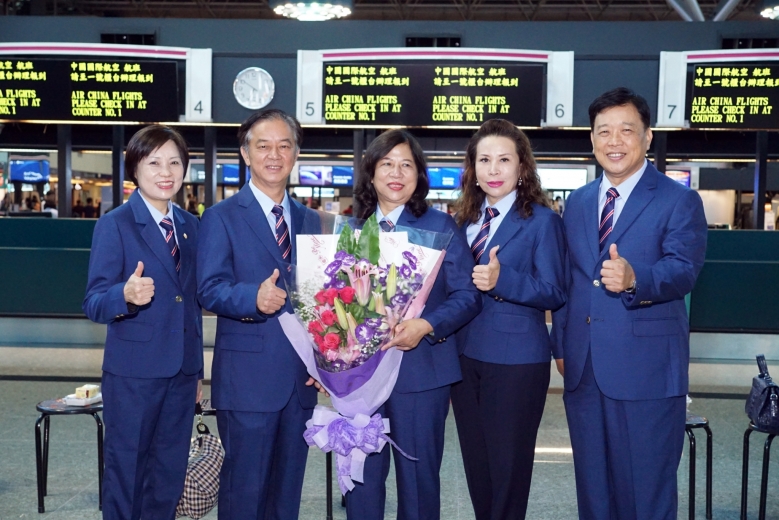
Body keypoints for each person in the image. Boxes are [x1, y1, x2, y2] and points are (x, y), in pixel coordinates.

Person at [552, 87, 708, 520]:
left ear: (647, 137)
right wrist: (561, 346)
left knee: (645, 495)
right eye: (604, 131)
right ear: (592, 139)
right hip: (583, 372)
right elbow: (569, 279)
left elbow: (684, 270)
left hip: (647, 373)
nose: (614, 141)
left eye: (626, 130)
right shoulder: (579, 202)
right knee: (594, 494)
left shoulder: (678, 199)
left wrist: (637, 278)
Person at [345, 129, 481, 520]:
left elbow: (467, 296)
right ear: (371, 173)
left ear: (418, 175)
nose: (396, 173)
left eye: (406, 165)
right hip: (360, 379)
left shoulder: (440, 227)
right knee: (361, 480)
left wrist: (426, 325)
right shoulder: (353, 230)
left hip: (422, 374)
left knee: (418, 482)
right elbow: (334, 304)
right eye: (387, 164)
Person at [197, 109, 326, 520]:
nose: (274, 154)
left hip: (300, 383)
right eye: (263, 145)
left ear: (295, 154)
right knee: (244, 496)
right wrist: (252, 297)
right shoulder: (220, 216)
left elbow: (321, 300)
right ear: (245, 153)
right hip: (248, 383)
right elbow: (209, 289)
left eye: (284, 146)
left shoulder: (310, 219)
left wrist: (325, 359)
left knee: (286, 499)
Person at [82, 125, 203, 520]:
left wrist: (197, 372)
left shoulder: (191, 226)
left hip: (181, 375)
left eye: (174, 163)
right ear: (135, 168)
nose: (165, 172)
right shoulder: (115, 224)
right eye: (154, 163)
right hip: (133, 376)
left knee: (168, 475)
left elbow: (191, 305)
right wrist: (125, 295)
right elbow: (94, 302)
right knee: (127, 473)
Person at [450, 119, 566, 520]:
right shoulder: (463, 221)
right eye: (484, 160)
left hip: (516, 360)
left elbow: (555, 290)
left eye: (504, 160)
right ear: (472, 168)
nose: (493, 170)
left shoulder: (543, 221)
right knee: (477, 466)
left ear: (522, 167)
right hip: (464, 357)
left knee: (508, 470)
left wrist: (505, 280)